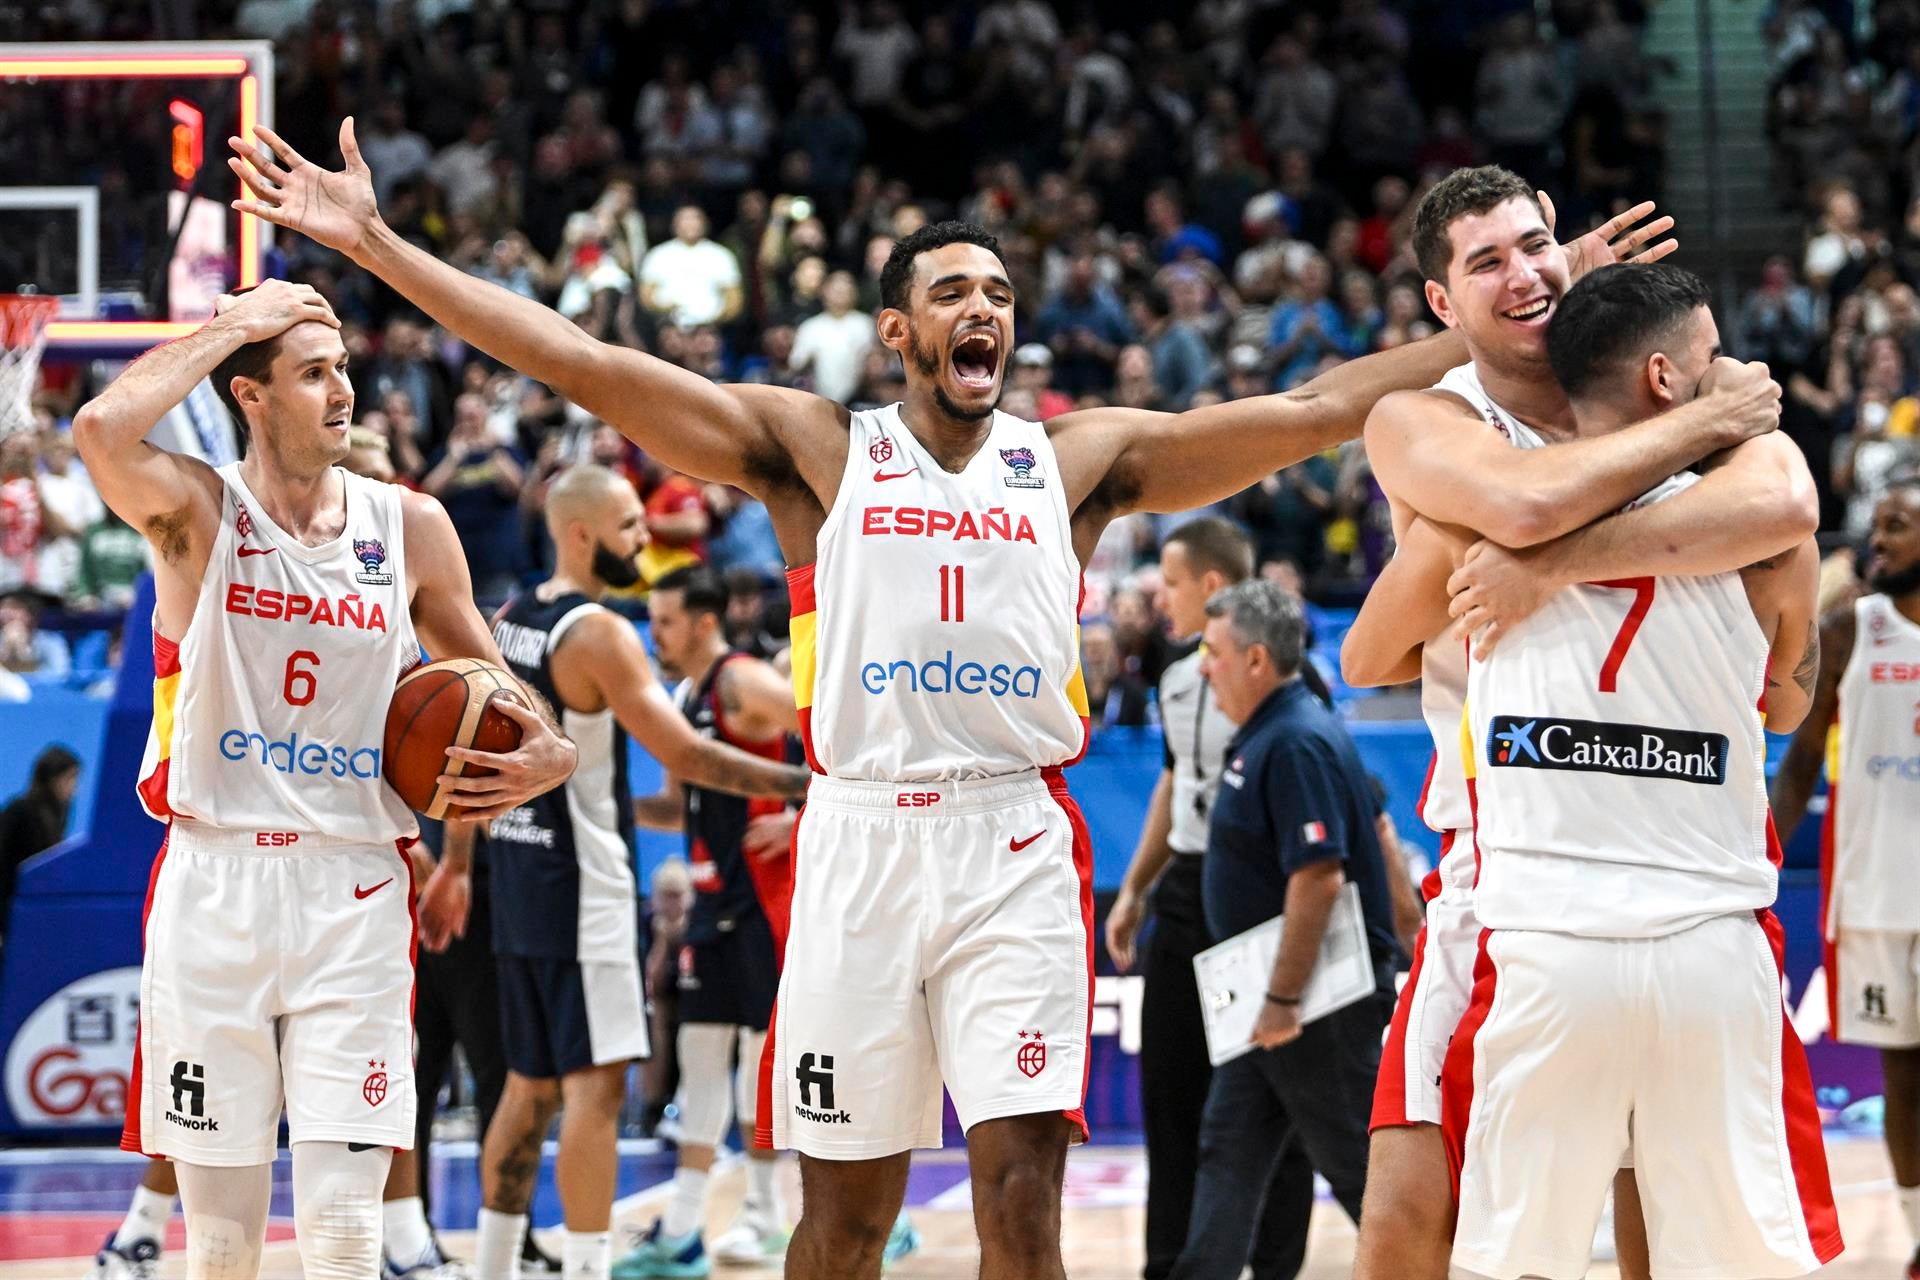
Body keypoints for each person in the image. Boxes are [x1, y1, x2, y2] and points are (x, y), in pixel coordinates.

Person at [230, 123, 1674, 1278]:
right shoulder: (818, 449)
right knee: (843, 1221)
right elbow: (583, 361)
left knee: (1021, 1198)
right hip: (862, 843)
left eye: (998, 294)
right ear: (899, 332)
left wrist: (1524, 315)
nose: (983, 309)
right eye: (952, 294)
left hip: (1012, 845)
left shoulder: (1078, 460)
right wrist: (379, 248)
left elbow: (1313, 411)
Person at [1337, 166, 1818, 1280]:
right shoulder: (1437, 419)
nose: (1524, 273)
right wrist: (1706, 418)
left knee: (1668, 1223)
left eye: (1537, 244)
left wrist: (1548, 563)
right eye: (1487, 262)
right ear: (1442, 302)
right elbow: (1393, 633)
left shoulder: (1682, 400)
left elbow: (1787, 503)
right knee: (1410, 1214)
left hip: (1681, 860)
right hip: (1508, 863)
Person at [72, 279, 578, 1280]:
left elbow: (498, 691)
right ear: (252, 395)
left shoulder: (410, 524)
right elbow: (99, 430)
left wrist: (551, 747)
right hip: (215, 881)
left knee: (345, 1234)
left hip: (353, 885)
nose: (344, 389)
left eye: (344, 367)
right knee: (222, 1245)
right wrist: (232, 325)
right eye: (312, 373)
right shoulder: (198, 509)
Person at [474, 465, 811, 1280]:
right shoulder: (597, 633)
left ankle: (492, 1266)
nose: (644, 539)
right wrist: (812, 786)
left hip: (517, 879)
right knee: (594, 1092)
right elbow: (687, 755)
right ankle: (589, 1267)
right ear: (580, 533)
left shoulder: (507, 620)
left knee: (527, 1087)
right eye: (629, 526)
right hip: (582, 887)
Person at [1166, 580, 1402, 1279]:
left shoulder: (1296, 740)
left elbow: (1319, 877)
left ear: (1256, 660)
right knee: (1227, 1152)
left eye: (1213, 653)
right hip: (1268, 1003)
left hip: (1314, 1008)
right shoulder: (1272, 732)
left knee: (1362, 1172)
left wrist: (1282, 999)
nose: (1203, 669)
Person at [1103, 520, 1316, 1280]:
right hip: (1186, 891)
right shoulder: (1172, 675)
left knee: (1271, 1100)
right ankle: (1167, 1265)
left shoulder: (1285, 677)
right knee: (1169, 1096)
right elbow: (1176, 781)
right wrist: (1135, 888)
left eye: (1171, 582)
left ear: (1212, 585)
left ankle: (1274, 1267)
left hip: (1259, 895)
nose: (1160, 597)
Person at [620, 565, 802, 1274]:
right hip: (709, 904)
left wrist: (799, 814)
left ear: (703, 622)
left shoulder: (741, 682)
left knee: (758, 1069)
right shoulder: (684, 696)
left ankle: (764, 1217)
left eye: (665, 622)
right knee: (698, 1066)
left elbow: (836, 739)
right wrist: (607, 803)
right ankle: (683, 1230)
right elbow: (676, 805)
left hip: (761, 902)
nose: (655, 636)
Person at [1772, 480, 1920, 1278]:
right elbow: (1798, 768)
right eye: (1877, 524)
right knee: (1904, 1075)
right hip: (1876, 893)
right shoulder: (1849, 631)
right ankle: (1917, 1234)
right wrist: (1758, 862)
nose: (1878, 539)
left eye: (1898, 525)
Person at [0, 743, 79, 937]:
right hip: (9, 912)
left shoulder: (57, 816)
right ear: (52, 779)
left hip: (30, 914)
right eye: (70, 778)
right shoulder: (19, 811)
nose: (75, 788)